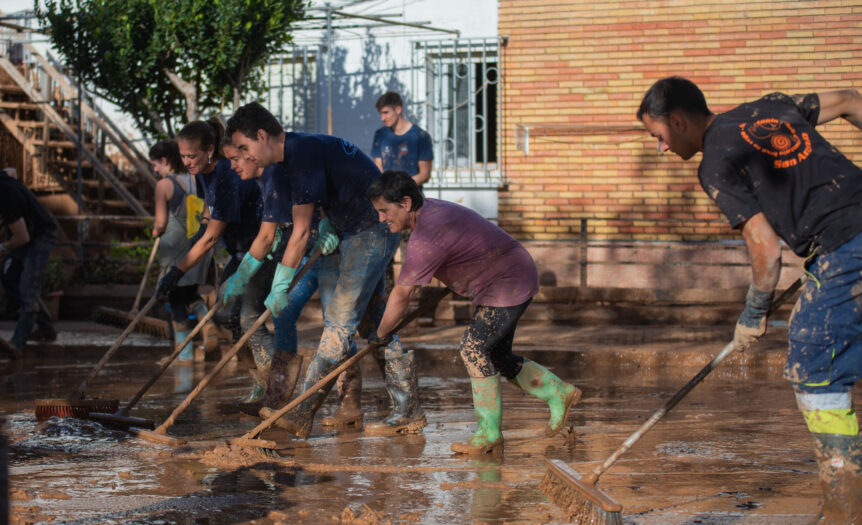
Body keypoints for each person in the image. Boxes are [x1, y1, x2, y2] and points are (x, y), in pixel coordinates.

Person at [637, 77, 862, 523]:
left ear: (678, 122)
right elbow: (851, 100)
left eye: (657, 136)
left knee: (814, 363)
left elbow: (765, 247)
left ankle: (845, 507)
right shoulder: (770, 106)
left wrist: (754, 313)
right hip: (841, 242)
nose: (659, 148)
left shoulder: (716, 164)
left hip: (845, 244)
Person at [226, 102, 422, 439]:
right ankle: (408, 409)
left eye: (245, 148)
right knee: (374, 322)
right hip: (353, 230)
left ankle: (301, 411)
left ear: (262, 136)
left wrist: (281, 284)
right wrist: (332, 221)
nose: (244, 157)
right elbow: (338, 188)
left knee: (338, 323)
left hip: (371, 230)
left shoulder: (300, 155)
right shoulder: (295, 154)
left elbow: (300, 233)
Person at [368, 170, 581, 455]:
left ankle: (489, 433)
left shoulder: (426, 235)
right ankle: (558, 393)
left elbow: (403, 293)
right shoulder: (432, 211)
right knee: (498, 356)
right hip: (509, 274)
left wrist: (380, 334)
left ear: (405, 203)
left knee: (473, 349)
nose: (382, 218)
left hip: (507, 282)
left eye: (385, 211)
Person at [219, 139, 359, 423]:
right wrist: (242, 274)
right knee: (282, 313)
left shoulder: (281, 169)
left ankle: (350, 403)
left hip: (331, 250)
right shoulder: (265, 177)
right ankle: (280, 394)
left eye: (236, 158)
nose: (232, 166)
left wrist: (329, 223)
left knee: (337, 326)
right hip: (302, 252)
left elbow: (320, 199)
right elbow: (276, 224)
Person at [155, 118, 284, 408]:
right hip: (238, 252)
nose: (186, 162)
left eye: (192, 156)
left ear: (210, 150)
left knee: (249, 316)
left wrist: (176, 271)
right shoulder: (203, 172)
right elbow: (207, 213)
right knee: (226, 316)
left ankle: (275, 387)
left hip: (262, 249)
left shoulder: (228, 175)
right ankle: (259, 381)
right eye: (183, 156)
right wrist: (199, 230)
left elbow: (212, 238)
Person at [149, 140, 216, 362]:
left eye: (155, 164)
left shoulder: (163, 186)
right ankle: (208, 326)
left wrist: (155, 231)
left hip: (174, 252)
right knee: (191, 295)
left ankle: (184, 354)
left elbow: (160, 223)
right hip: (197, 248)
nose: (154, 169)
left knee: (176, 299)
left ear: (165, 161)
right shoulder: (197, 179)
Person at [0, 167, 57, 359]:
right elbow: (11, 171)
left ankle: (17, 343)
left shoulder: (6, 197)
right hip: (26, 233)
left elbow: (21, 237)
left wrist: (2, 248)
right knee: (9, 279)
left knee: (27, 285)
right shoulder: (4, 178)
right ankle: (46, 327)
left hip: (40, 234)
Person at [371, 91, 433, 186]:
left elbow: (424, 174)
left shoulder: (421, 136)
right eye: (381, 114)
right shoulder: (380, 135)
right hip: (386, 194)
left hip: (412, 195)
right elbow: (378, 167)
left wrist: (399, 188)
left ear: (398, 109)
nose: (382, 118)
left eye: (386, 112)